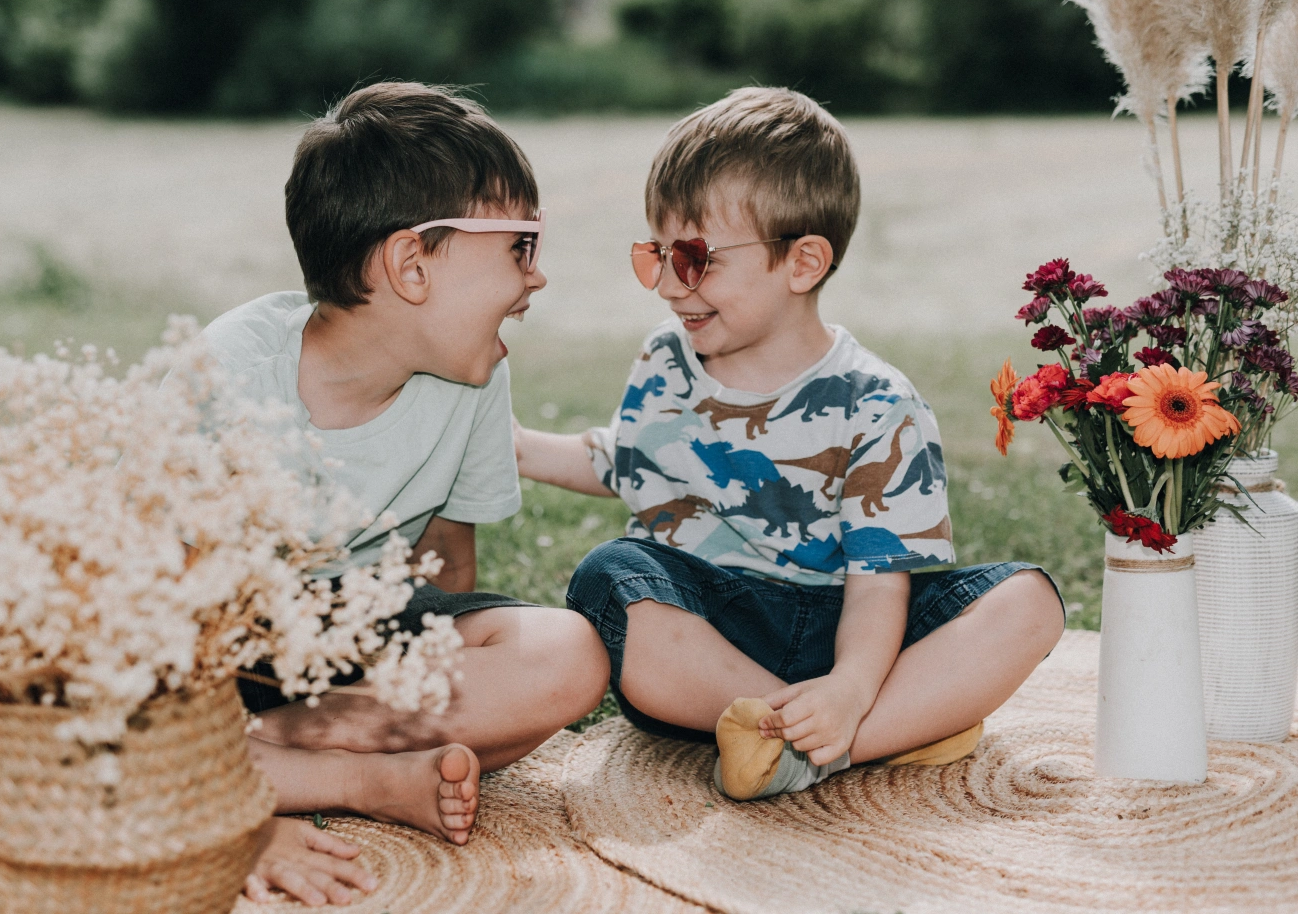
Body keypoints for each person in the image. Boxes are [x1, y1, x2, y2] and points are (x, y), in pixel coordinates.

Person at [514, 86, 1064, 804]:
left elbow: (879, 583)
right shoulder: (663, 362)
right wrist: (516, 446)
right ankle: (878, 728)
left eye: (696, 258)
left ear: (803, 264)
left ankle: (818, 734)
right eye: (658, 255)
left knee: (1030, 603)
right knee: (611, 578)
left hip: (854, 623)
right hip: (715, 631)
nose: (671, 287)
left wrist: (851, 684)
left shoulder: (877, 402)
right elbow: (625, 459)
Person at [207, 82, 610, 905]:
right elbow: (176, 610)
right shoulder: (233, 371)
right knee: (93, 707)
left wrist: (452, 690)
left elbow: (445, 567)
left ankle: (258, 765)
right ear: (411, 263)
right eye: (520, 246)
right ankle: (342, 785)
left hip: (361, 645)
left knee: (570, 657)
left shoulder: (475, 376)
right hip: (220, 642)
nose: (537, 277)